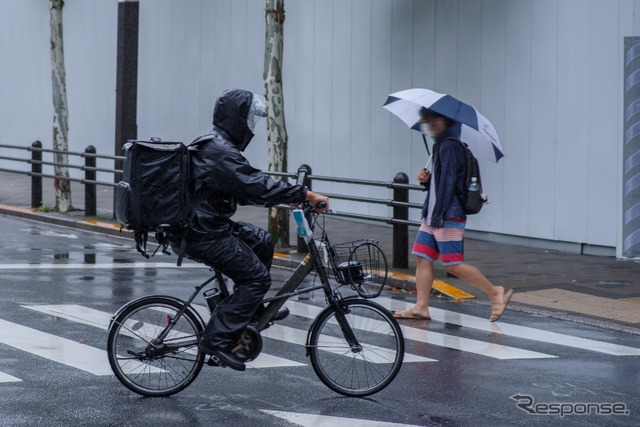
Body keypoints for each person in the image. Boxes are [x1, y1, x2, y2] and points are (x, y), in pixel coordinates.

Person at [179, 88, 329, 371]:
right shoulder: (219, 150)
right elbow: (254, 184)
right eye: (249, 119)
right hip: (203, 232)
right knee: (256, 280)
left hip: (206, 225)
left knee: (261, 240)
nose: (252, 126)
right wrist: (303, 194)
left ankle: (249, 309)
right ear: (237, 118)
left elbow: (243, 189)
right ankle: (217, 340)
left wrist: (282, 197)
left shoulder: (217, 145)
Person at [394, 107, 513, 322]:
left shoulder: (449, 147)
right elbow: (443, 183)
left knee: (453, 264)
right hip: (434, 215)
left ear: (440, 121)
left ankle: (495, 291)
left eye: (428, 121)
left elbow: (449, 185)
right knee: (422, 257)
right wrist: (427, 180)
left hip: (445, 216)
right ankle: (421, 307)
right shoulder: (442, 145)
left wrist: (438, 215)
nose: (427, 125)